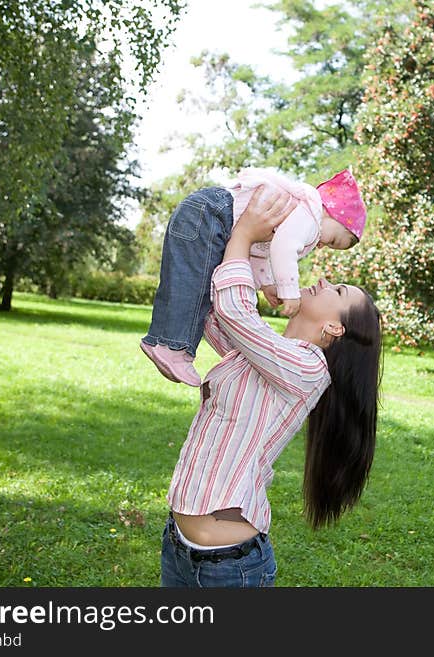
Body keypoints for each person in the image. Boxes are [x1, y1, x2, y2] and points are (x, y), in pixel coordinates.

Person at [159, 186, 384, 588]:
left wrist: (244, 236)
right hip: (178, 548)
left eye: (337, 291)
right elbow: (215, 311)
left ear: (335, 328)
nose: (325, 278)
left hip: (228, 567)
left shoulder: (308, 369)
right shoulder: (268, 353)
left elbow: (234, 312)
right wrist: (255, 256)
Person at [140, 167, 367, 386]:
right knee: (194, 286)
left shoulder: (299, 214)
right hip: (215, 215)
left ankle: (158, 340)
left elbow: (260, 250)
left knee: (183, 280)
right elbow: (284, 247)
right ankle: (175, 348)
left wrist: (266, 283)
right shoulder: (310, 214)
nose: (325, 245)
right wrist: (289, 291)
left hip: (205, 209)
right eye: (334, 240)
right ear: (330, 212)